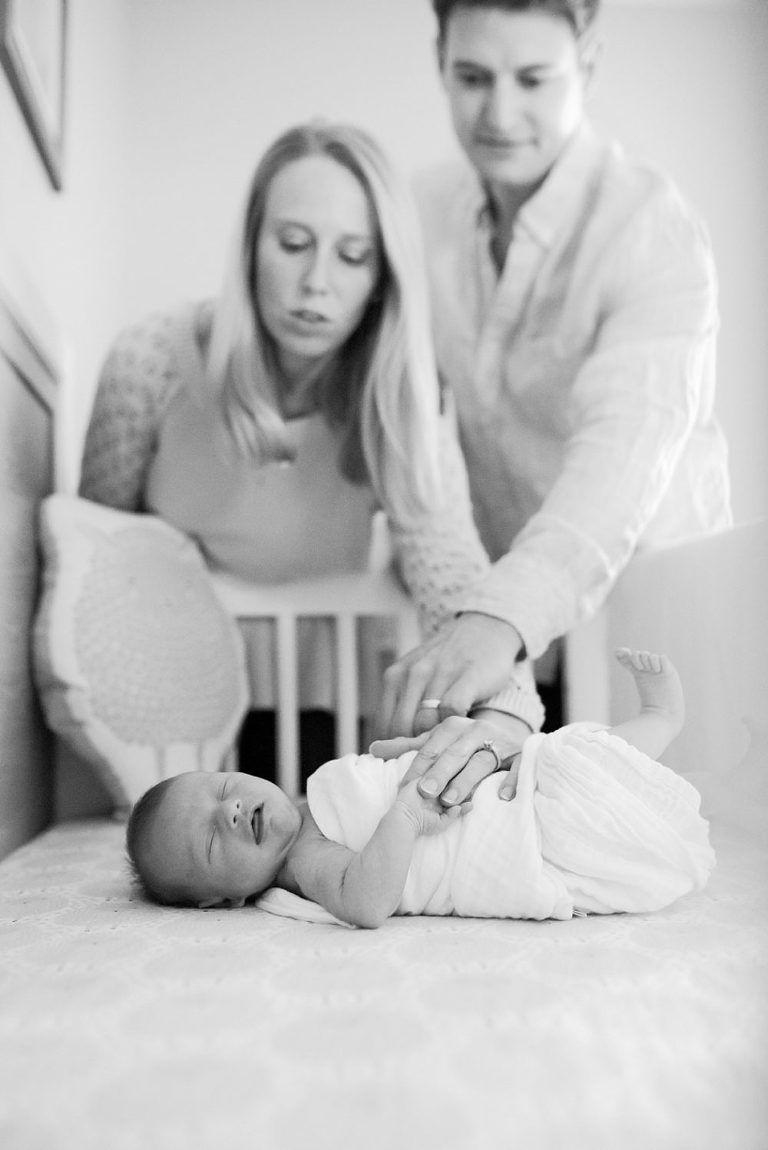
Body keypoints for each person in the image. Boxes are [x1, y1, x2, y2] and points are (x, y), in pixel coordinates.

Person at [78, 119, 542, 787]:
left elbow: (453, 580)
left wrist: (508, 714)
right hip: (163, 699)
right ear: (249, 248)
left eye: (353, 257)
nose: (316, 282)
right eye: (293, 244)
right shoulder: (147, 363)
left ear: (383, 276)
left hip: (327, 701)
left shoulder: (401, 398)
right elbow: (91, 564)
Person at [378, 0, 732, 804]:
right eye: (472, 77)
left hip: (646, 624)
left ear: (590, 61)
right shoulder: (416, 213)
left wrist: (499, 621)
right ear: (440, 59)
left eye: (533, 79)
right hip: (499, 639)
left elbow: (623, 449)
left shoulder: (652, 229)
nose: (500, 114)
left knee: (654, 858)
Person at [126, 649, 715, 927]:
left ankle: (658, 723)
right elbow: (366, 902)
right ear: (222, 901)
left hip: (506, 786)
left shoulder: (313, 798)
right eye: (209, 841)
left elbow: (384, 775)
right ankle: (660, 730)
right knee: (584, 792)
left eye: (223, 786)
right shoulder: (304, 863)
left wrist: (406, 754)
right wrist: (405, 813)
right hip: (510, 840)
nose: (228, 810)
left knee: (578, 756)